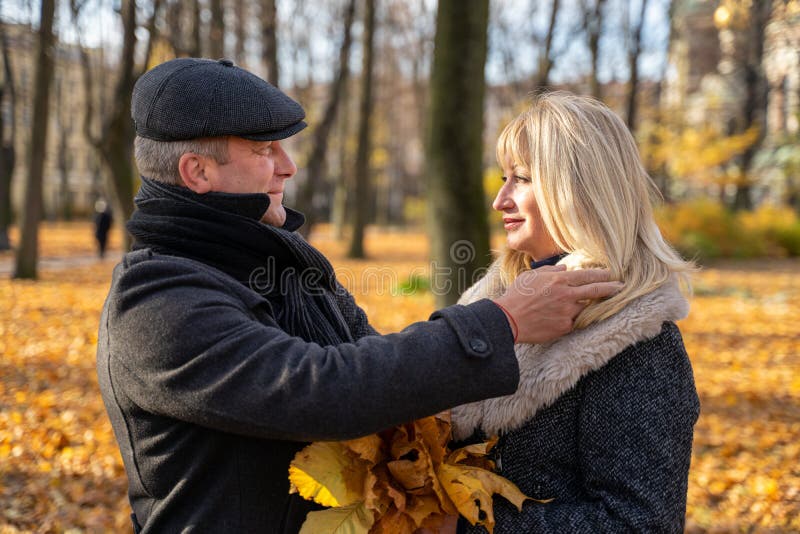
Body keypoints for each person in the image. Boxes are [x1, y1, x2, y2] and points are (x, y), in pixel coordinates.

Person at [96, 58, 622, 533]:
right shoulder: (155, 301)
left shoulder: (287, 268)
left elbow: (380, 378)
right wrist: (502, 323)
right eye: (264, 150)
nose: (288, 166)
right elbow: (322, 391)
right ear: (198, 172)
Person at [452, 92, 700, 533]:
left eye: (522, 179)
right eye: (503, 178)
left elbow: (640, 525)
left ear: (579, 188)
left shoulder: (637, 341)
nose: (500, 200)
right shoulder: (484, 306)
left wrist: (469, 526)